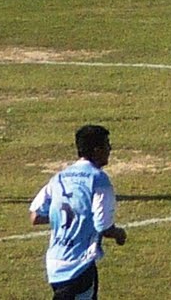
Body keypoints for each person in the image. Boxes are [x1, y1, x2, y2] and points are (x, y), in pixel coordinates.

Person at [30, 124, 127, 300]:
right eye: (107, 145)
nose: (110, 149)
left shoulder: (59, 177)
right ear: (97, 150)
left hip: (54, 263)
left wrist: (66, 217)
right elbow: (103, 225)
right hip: (79, 264)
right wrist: (120, 234)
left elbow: (35, 216)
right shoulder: (98, 179)